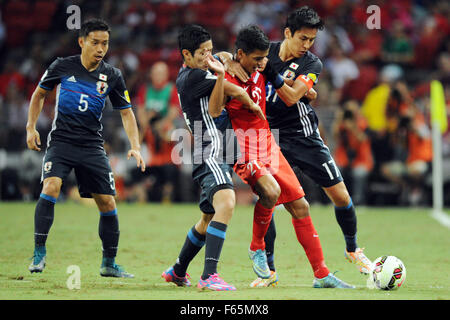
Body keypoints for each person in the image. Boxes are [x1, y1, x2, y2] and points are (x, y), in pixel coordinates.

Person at [224, 6, 372, 286]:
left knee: (340, 195)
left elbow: (292, 98)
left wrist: (277, 77)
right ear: (287, 33)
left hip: (303, 135)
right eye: (302, 38)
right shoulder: (264, 52)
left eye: (312, 40)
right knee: (268, 197)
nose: (307, 45)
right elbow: (230, 57)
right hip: (269, 135)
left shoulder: (311, 64)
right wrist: (228, 61)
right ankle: (269, 270)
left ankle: (352, 249)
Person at [26, 19, 145, 278]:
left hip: (92, 146)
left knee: (107, 202)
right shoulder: (61, 66)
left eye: (105, 43)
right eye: (95, 43)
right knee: (51, 187)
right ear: (82, 42)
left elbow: (126, 113)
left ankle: (109, 263)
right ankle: (39, 252)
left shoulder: (113, 76)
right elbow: (39, 94)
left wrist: (135, 146)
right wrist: (31, 127)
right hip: (61, 142)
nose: (101, 48)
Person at [161, 24, 264, 291]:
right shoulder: (195, 78)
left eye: (209, 50)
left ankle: (178, 270)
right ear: (186, 55)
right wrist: (251, 103)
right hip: (210, 148)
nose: (209, 57)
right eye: (202, 53)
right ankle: (209, 276)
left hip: (218, 147)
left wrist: (225, 58)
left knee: (208, 217)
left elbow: (222, 58)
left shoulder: (193, 71)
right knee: (227, 202)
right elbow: (221, 103)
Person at [134, 61, 181, 203]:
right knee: (136, 170)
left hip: (166, 149)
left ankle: (167, 196)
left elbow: (174, 111)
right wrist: (148, 122)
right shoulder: (145, 90)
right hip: (150, 149)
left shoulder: (171, 89)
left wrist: (160, 124)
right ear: (151, 75)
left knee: (169, 170)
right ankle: (141, 196)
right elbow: (141, 113)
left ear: (167, 75)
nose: (159, 76)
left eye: (162, 73)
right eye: (156, 73)